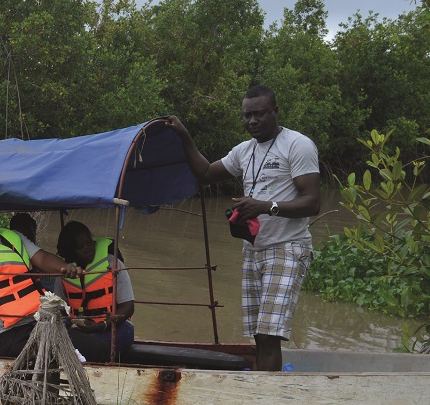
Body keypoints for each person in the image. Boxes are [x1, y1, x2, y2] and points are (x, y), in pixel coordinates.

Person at [166, 85, 320, 371]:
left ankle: (266, 403)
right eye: (247, 115)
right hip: (254, 249)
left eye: (259, 114)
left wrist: (264, 206)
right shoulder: (244, 150)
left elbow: (312, 202)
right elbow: (205, 173)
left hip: (288, 247)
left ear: (275, 111)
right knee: (258, 336)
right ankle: (264, 392)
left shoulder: (297, 145)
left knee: (269, 334)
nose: (252, 121)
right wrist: (184, 135)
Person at [0, 193, 116, 361]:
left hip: (37, 325)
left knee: (100, 350)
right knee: (78, 355)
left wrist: (65, 267)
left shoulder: (13, 238)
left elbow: (42, 258)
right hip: (6, 336)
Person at [55, 221, 135, 356]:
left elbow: (128, 306)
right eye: (80, 246)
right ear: (70, 252)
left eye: (89, 243)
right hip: (80, 330)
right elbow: (60, 310)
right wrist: (68, 323)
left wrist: (103, 324)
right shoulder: (63, 274)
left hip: (116, 327)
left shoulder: (113, 264)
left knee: (89, 347)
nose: (87, 248)